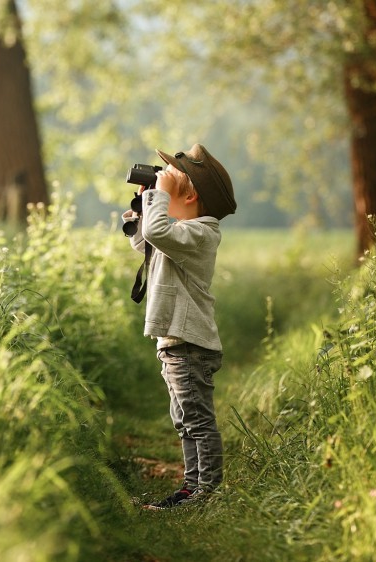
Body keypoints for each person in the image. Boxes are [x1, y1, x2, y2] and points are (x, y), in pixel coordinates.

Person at [122, 143, 237, 510]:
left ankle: (208, 490)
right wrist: (144, 204)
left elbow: (157, 233)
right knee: (184, 420)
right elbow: (146, 241)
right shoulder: (181, 232)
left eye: (171, 179)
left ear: (190, 195)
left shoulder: (202, 233)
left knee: (197, 420)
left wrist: (161, 197)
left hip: (189, 344)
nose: (161, 181)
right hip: (176, 342)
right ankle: (192, 488)